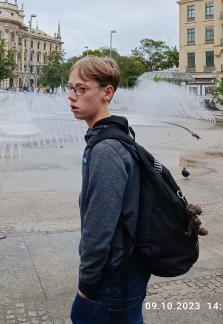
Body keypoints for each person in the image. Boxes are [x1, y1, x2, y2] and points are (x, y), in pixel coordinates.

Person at [67, 56, 150, 324]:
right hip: (127, 274)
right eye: (69, 88)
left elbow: (99, 226)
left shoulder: (105, 150)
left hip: (111, 282)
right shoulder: (119, 136)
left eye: (81, 89)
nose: (72, 97)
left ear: (107, 92)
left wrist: (87, 285)